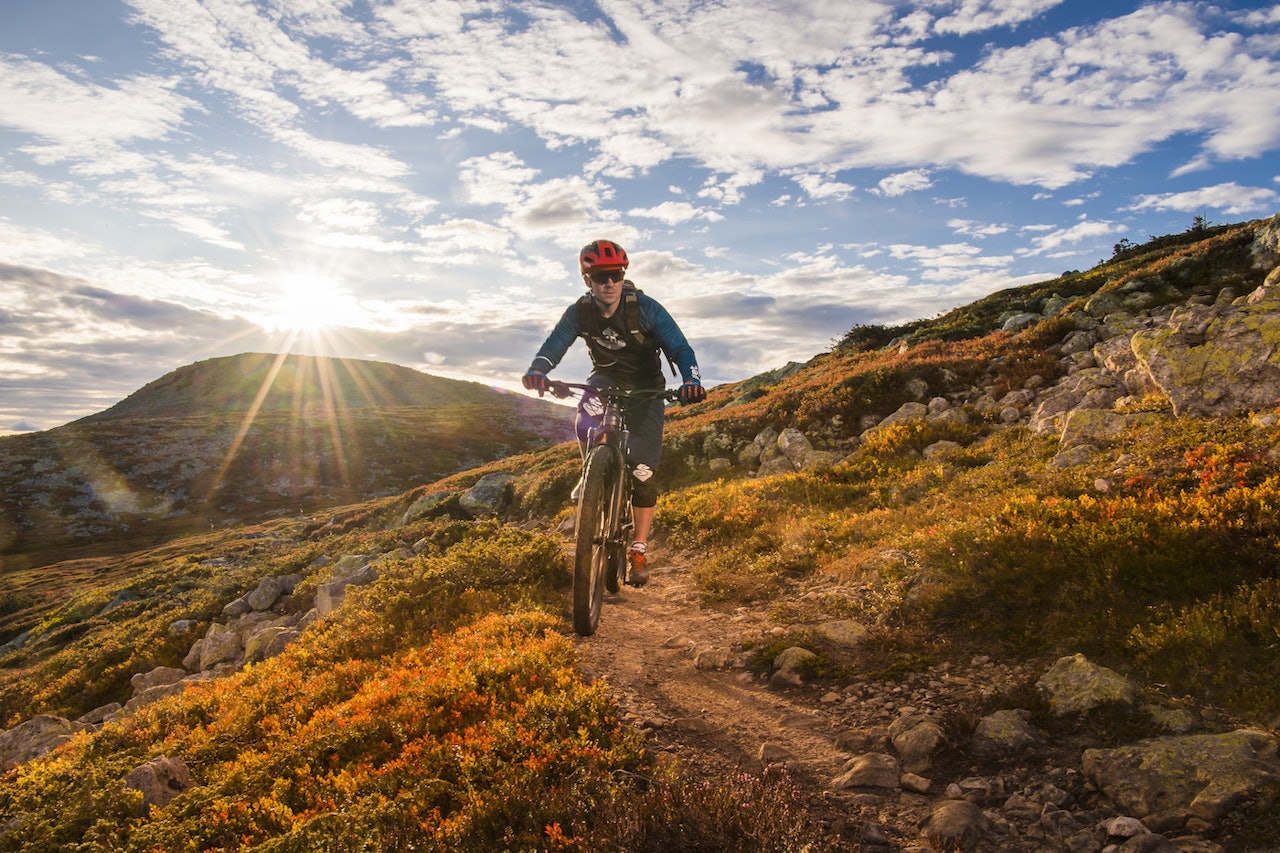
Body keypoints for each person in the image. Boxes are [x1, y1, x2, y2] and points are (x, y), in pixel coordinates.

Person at [522, 239, 705, 586]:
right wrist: (538, 371)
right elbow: (554, 344)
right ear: (587, 279)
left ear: (623, 276)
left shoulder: (646, 309)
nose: (609, 283)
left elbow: (680, 347)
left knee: (643, 471)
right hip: (604, 379)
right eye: (600, 276)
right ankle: (591, 470)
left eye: (616, 275)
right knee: (586, 412)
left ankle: (637, 548)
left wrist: (691, 380)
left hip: (647, 386)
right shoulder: (580, 312)